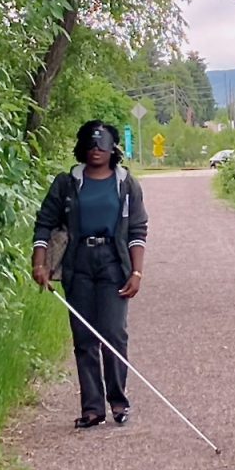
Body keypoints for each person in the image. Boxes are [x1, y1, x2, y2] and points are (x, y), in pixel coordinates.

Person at [32, 120, 149, 428]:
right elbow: (44, 222)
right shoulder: (66, 183)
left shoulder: (126, 184)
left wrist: (136, 271)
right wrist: (39, 262)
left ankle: (118, 402)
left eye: (102, 145)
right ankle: (92, 408)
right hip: (78, 261)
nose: (96, 150)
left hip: (113, 261)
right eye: (91, 144)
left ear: (113, 149)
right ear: (81, 148)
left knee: (112, 333)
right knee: (84, 336)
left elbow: (137, 229)